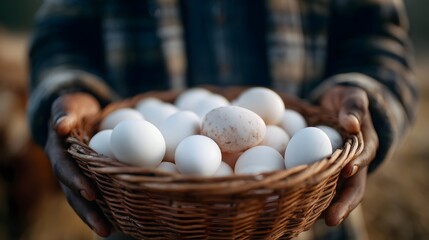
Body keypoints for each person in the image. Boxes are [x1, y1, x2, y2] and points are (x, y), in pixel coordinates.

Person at [27, 0, 418, 239]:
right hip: (143, 220)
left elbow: (378, 38)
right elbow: (60, 37)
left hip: (306, 220)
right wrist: (68, 93)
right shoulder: (167, 132)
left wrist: (360, 96)